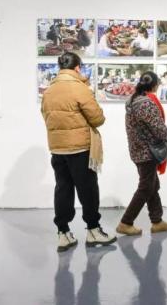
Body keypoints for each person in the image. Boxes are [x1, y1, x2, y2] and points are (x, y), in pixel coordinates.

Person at [41, 52, 117, 252]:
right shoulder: (79, 88)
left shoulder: (49, 90)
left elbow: (46, 116)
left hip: (57, 148)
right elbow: (97, 119)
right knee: (88, 190)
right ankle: (93, 230)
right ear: (77, 68)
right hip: (80, 148)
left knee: (63, 189)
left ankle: (63, 233)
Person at [117, 71, 167, 236]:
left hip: (137, 149)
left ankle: (157, 221)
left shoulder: (132, 101)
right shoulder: (146, 103)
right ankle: (125, 222)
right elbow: (160, 129)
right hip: (147, 152)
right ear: (155, 85)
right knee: (145, 188)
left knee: (152, 186)